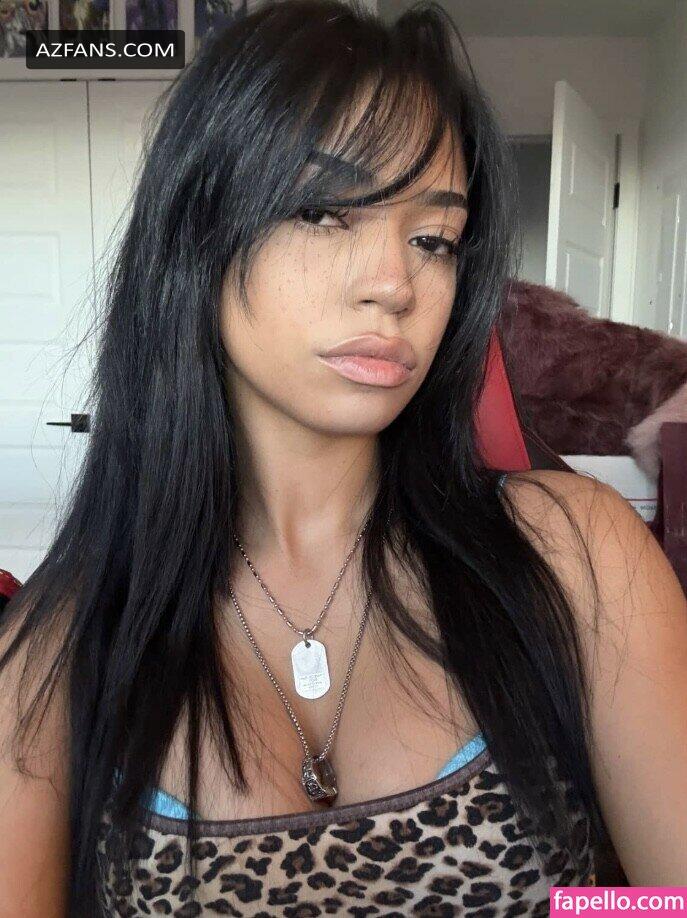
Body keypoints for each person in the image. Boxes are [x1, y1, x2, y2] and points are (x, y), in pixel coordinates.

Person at [1, 0, 686, 914]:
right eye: (323, 211)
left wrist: (580, 908)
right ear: (195, 234)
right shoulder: (55, 652)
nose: (394, 284)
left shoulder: (576, 552)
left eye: (433, 240)